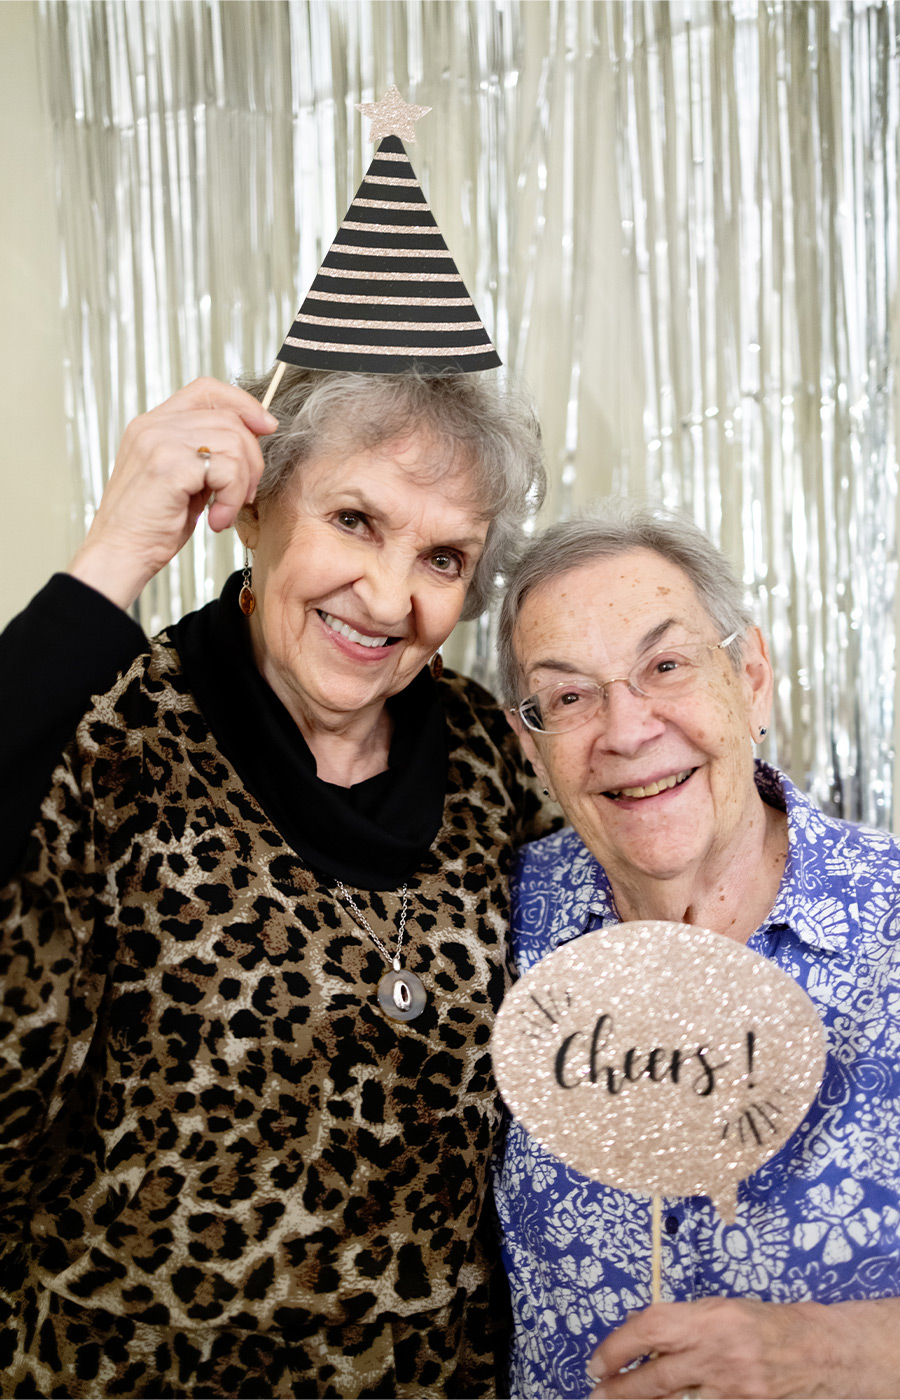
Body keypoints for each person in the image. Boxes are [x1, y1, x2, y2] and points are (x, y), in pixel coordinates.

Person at [0, 363, 557, 1398]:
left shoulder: (495, 753)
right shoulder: (107, 733)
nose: (389, 597)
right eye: (353, 518)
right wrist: (112, 557)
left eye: (442, 555)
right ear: (251, 507)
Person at [492, 505, 900, 1400]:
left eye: (665, 666)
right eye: (567, 697)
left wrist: (845, 1354)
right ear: (532, 745)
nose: (627, 731)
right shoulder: (490, 924)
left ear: (750, 677)